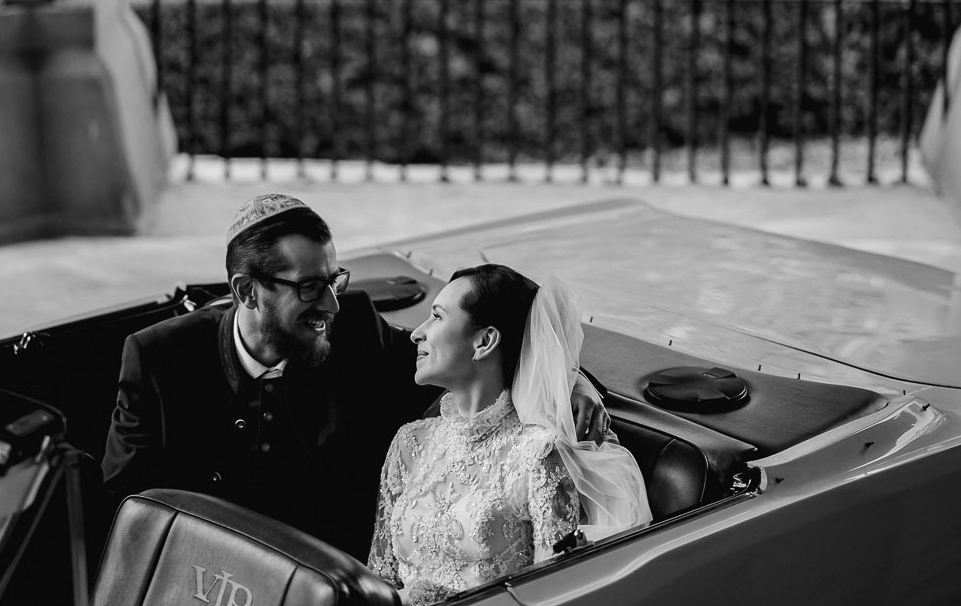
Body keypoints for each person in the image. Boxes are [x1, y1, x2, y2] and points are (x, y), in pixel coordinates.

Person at [101, 194, 609, 564]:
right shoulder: (159, 359)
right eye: (309, 287)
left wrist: (572, 380)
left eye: (334, 280)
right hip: (205, 588)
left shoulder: (356, 332)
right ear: (246, 291)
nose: (331, 304)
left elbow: (476, 351)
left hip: (337, 587)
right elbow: (127, 512)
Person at [369, 264, 650, 606]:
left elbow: (553, 595)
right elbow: (381, 577)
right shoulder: (409, 443)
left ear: (485, 341)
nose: (416, 333)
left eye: (437, 317)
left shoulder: (538, 453)